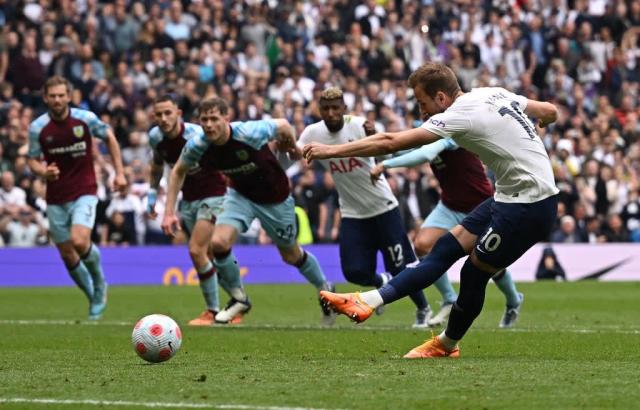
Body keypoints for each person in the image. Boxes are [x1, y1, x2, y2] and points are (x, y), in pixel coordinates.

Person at [305, 62, 559, 358]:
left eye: (422, 103)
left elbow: (390, 141)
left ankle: (446, 345)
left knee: (473, 272)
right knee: (442, 249)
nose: (421, 111)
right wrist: (546, 120)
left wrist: (330, 150)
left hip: (530, 206)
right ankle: (368, 301)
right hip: (509, 196)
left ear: (441, 98)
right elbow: (549, 110)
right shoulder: (492, 93)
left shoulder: (459, 114)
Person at [163, 98, 334, 325]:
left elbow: (283, 124)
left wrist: (292, 147)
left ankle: (325, 288)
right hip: (240, 195)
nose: (209, 125)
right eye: (204, 120)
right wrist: (168, 211)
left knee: (291, 255)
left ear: (226, 118)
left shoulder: (248, 132)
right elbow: (177, 171)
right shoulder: (198, 144)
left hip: (275, 198)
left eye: (214, 119)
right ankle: (239, 298)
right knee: (218, 243)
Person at [298, 87, 431, 328]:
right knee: (352, 271)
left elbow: (383, 144)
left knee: (402, 268)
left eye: (335, 108)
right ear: (319, 110)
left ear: (344, 109)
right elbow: (297, 151)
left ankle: (423, 308)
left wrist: (376, 134)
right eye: (325, 108)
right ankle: (382, 282)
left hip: (383, 207)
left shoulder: (359, 126)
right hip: (352, 213)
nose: (330, 113)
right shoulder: (312, 132)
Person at [370, 137, 524, 328]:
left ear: (441, 104)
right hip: (449, 206)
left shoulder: (452, 132)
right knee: (422, 245)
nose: (422, 109)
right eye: (419, 105)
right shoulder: (427, 131)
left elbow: (424, 154)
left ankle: (513, 300)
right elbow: (407, 150)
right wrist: (372, 149)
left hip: (480, 206)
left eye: (425, 105)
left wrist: (385, 164)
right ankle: (450, 298)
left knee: (486, 259)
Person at [27, 75, 127, 320]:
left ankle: (100, 283)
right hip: (56, 196)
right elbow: (32, 159)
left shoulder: (85, 119)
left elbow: (110, 137)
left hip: (85, 190)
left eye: (62, 95)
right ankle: (92, 294)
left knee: (80, 241)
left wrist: (120, 173)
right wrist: (43, 171)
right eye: (53, 96)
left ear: (69, 96)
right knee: (66, 253)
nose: (58, 100)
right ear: (45, 98)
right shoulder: (38, 128)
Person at [149, 95, 239, 326]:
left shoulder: (197, 135)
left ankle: (212, 311)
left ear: (178, 113)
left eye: (168, 113)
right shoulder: (155, 138)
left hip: (214, 195)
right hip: (188, 200)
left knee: (196, 251)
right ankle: (237, 304)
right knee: (208, 257)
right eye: (158, 114)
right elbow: (158, 166)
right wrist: (152, 193)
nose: (163, 118)